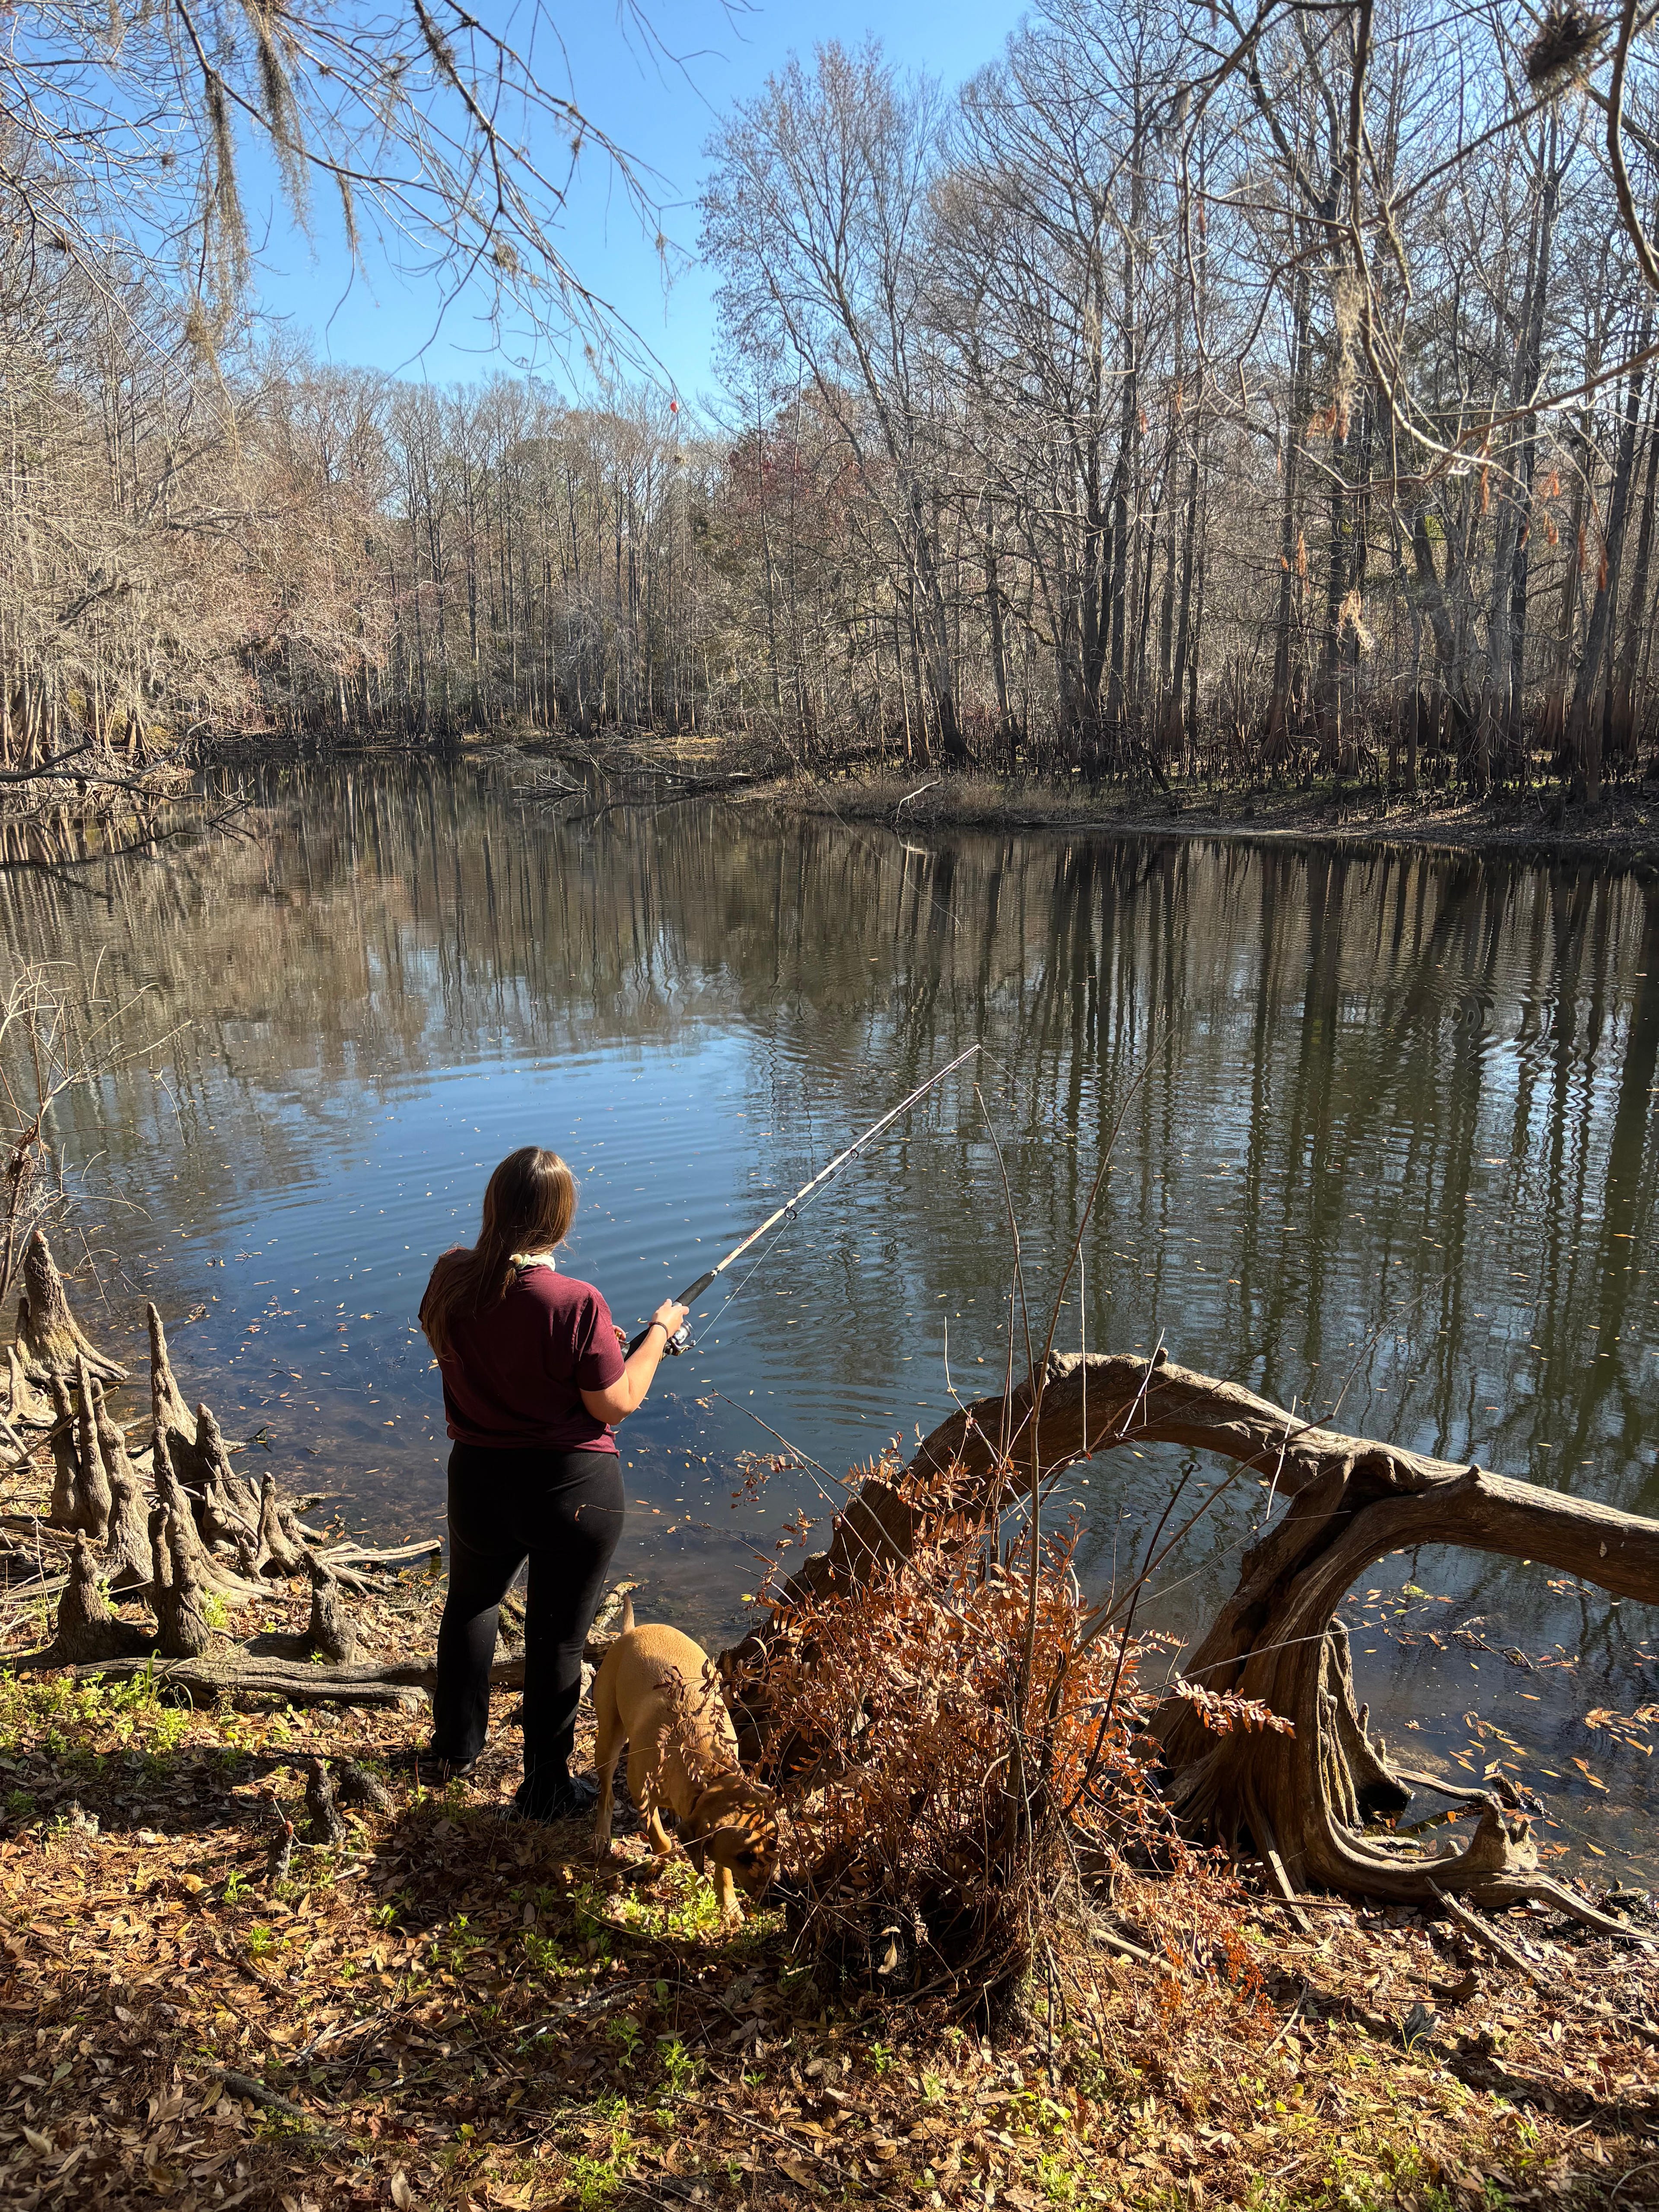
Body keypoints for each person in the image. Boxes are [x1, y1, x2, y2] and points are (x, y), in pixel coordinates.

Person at [416, 1145, 686, 1819]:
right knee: (557, 1639)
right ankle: (544, 1789)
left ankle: (452, 1750)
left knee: (471, 1604)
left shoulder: (450, 1276)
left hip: (479, 1479)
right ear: (561, 1219)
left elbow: (458, 1346)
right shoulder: (575, 1301)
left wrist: (594, 1347)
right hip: (571, 1490)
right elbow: (616, 1404)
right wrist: (658, 1334)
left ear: (494, 1206)